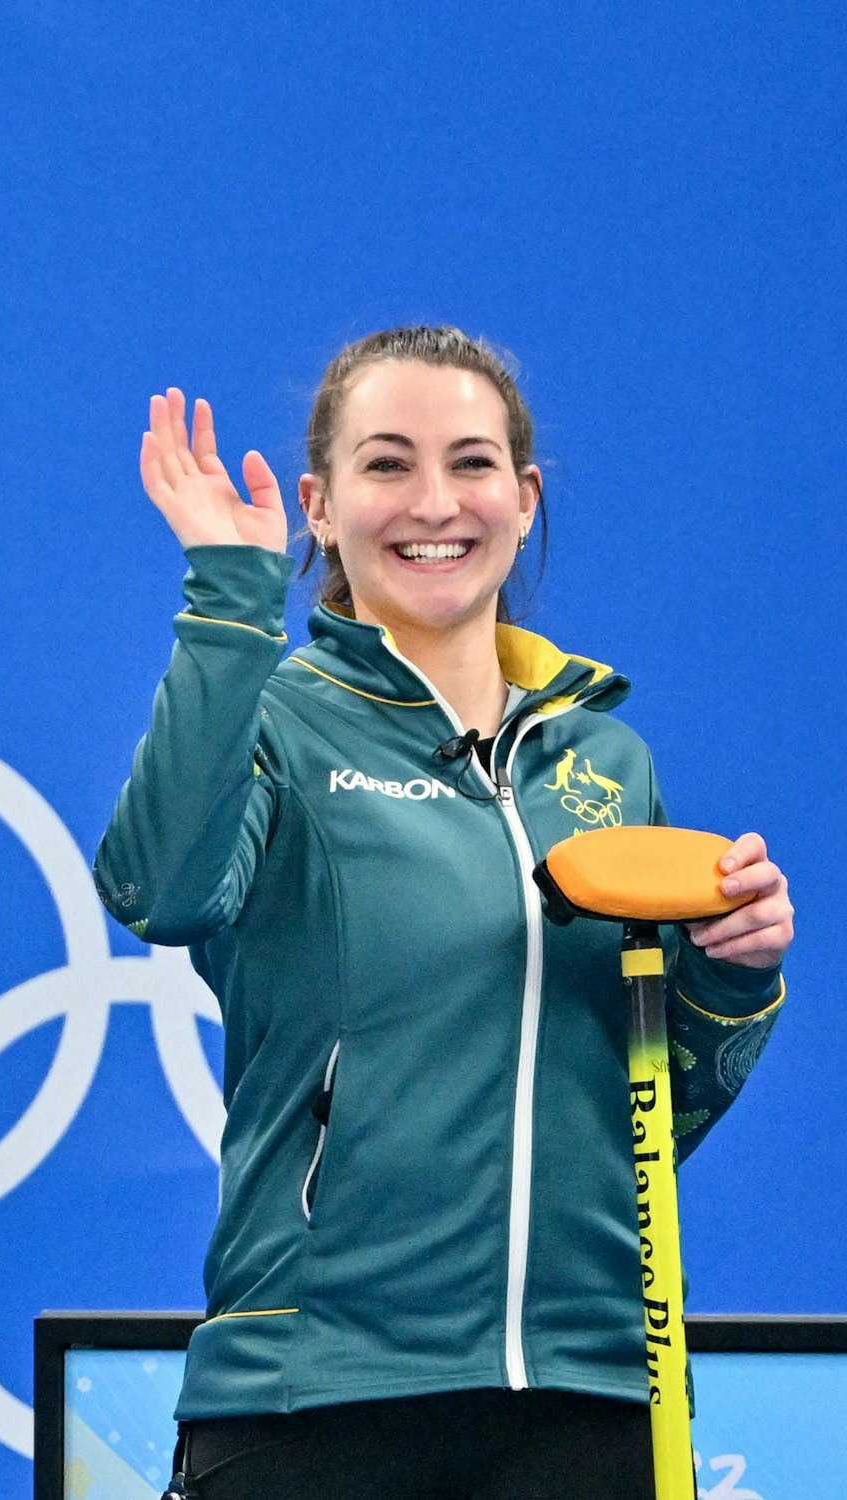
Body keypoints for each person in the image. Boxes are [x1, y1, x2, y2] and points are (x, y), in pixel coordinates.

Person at [93, 327, 794, 1500]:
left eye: (470, 464)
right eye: (384, 464)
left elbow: (646, 1128)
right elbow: (157, 892)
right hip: (318, 1398)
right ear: (316, 505)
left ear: (521, 500)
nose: (434, 503)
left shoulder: (606, 761)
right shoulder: (271, 720)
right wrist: (225, 596)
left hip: (593, 1398)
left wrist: (730, 975)